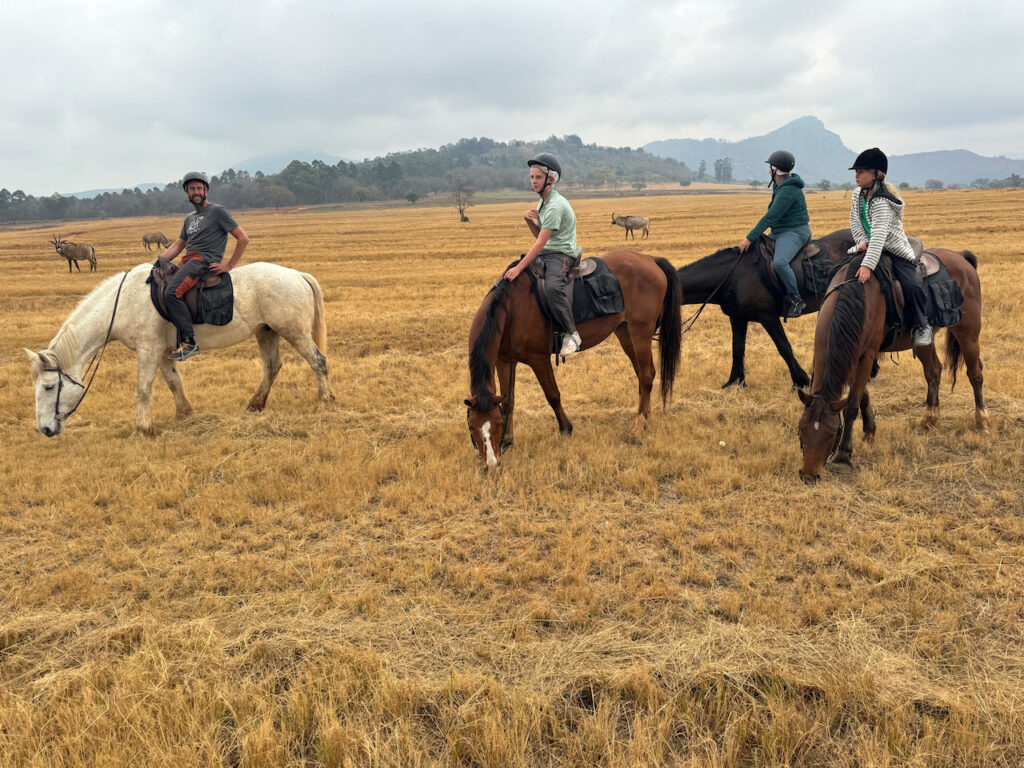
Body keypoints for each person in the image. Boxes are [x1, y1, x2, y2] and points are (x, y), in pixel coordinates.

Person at [158, 171, 249, 361]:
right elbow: (177, 245)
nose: (196, 191)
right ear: (187, 193)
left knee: (172, 293)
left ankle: (190, 343)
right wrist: (156, 262)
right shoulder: (189, 218)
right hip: (188, 261)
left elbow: (243, 238)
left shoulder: (217, 211)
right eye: (192, 189)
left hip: (202, 262)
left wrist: (229, 265)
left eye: (199, 188)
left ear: (206, 190)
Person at [848, 148, 932, 347]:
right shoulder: (857, 195)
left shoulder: (883, 202)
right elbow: (855, 222)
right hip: (869, 247)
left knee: (911, 285)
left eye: (862, 172)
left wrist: (867, 266)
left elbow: (879, 236)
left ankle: (922, 325)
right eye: (856, 172)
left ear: (877, 174)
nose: (857, 176)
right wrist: (861, 242)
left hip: (894, 251)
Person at [503, 153, 581, 355]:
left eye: (537, 177)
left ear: (551, 179)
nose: (533, 181)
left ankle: (571, 333)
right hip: (548, 250)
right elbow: (540, 236)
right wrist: (529, 221)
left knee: (554, 287)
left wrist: (519, 267)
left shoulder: (555, 205)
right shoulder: (543, 202)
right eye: (531, 177)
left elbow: (540, 242)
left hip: (562, 253)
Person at [737, 149, 811, 318]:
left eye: (771, 167)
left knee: (779, 262)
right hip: (779, 232)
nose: (769, 170)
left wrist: (749, 238)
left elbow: (770, 217)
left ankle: (796, 299)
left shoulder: (788, 191)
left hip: (795, 232)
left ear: (776, 170)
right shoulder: (780, 184)